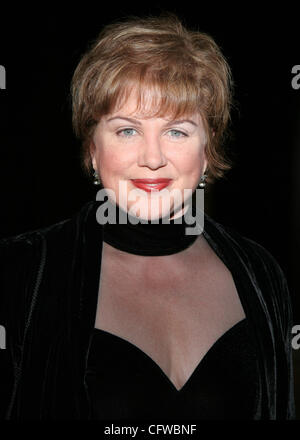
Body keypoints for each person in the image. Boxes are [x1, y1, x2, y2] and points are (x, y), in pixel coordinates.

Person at [0, 12, 295, 420]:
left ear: (207, 151)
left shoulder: (262, 275)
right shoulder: (19, 272)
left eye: (177, 131)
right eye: (127, 130)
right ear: (91, 149)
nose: (153, 159)